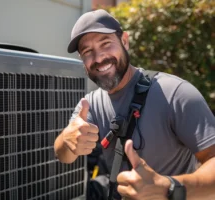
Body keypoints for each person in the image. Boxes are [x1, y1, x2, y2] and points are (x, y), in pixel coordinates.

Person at [53, 9, 215, 200]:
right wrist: (67, 140)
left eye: (106, 44)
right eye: (87, 52)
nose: (98, 58)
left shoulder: (175, 93)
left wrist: (169, 189)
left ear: (125, 42)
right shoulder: (91, 104)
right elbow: (62, 154)